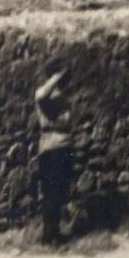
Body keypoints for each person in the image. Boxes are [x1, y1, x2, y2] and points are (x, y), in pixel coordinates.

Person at [34, 59, 76, 246]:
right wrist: (56, 77)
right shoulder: (45, 94)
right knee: (51, 191)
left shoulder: (63, 96)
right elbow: (41, 95)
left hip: (64, 145)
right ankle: (49, 234)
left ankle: (54, 232)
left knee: (60, 191)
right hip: (51, 147)